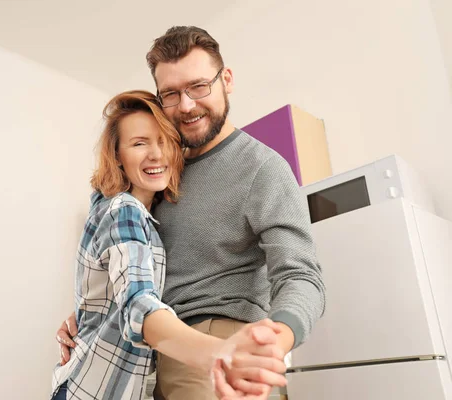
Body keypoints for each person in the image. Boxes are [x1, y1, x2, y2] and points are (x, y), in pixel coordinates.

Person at [57, 26, 326, 400]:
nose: (186, 105)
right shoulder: (162, 173)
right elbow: (133, 271)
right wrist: (95, 314)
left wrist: (274, 339)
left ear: (226, 80)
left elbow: (300, 273)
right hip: (154, 351)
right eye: (171, 93)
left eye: (199, 86)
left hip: (214, 341)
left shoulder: (261, 168)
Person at [51, 90, 288, 400]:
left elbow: (117, 293)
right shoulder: (125, 210)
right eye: (139, 143)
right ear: (118, 156)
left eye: (165, 141)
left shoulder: (139, 214)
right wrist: (219, 352)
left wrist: (85, 314)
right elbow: (139, 303)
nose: (156, 154)